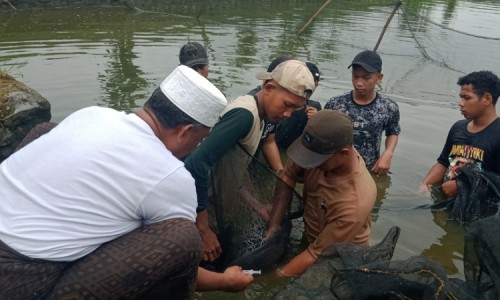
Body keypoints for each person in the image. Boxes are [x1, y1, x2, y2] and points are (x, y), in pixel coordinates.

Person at [0, 65, 253, 299]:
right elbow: (180, 263)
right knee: (184, 238)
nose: (196, 146)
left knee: (45, 130)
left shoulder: (93, 114)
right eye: (199, 139)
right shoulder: (171, 176)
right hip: (22, 280)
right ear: (185, 131)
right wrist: (224, 281)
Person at [185, 60, 315, 262]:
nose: (288, 114)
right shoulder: (244, 116)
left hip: (214, 206)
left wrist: (257, 206)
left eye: (295, 110)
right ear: (269, 87)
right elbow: (195, 165)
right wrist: (203, 230)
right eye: (287, 105)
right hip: (198, 208)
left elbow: (236, 168)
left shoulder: (261, 117)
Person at [266, 110, 377, 277]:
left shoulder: (355, 201)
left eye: (314, 159)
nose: (308, 163)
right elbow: (288, 175)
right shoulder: (319, 147)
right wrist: (275, 224)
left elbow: (316, 254)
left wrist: (276, 276)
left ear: (344, 154)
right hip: (312, 237)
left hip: (341, 258)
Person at [420, 70, 500, 198]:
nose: (461, 103)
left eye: (467, 98)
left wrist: (461, 186)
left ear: (487, 99)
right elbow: (443, 162)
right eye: (461, 97)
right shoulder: (458, 127)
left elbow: (497, 182)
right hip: (445, 198)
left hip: (478, 212)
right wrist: (425, 184)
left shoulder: (497, 134)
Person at [324, 50, 400, 175]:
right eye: (355, 76)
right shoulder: (336, 104)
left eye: (366, 78)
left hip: (369, 171)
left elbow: (393, 132)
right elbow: (323, 133)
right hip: (336, 169)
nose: (359, 83)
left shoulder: (389, 107)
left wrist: (388, 153)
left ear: (379, 78)